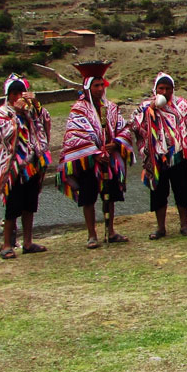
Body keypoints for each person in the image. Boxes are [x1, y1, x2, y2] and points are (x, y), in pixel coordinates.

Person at [58, 61, 133, 249]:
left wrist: (115, 144)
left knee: (110, 194)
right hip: (89, 162)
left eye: (102, 85)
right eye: (96, 86)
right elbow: (76, 134)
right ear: (88, 88)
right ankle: (92, 234)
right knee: (88, 197)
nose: (100, 89)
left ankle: (111, 230)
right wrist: (95, 153)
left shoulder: (112, 108)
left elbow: (123, 128)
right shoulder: (79, 109)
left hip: (109, 158)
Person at [132, 72, 187, 240]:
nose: (164, 92)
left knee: (182, 191)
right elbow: (135, 125)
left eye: (168, 88)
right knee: (158, 192)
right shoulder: (146, 106)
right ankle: (160, 227)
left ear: (173, 89)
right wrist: (149, 110)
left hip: (179, 156)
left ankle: (184, 224)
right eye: (161, 88)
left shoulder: (182, 106)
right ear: (155, 89)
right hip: (158, 158)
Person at [0, 74, 51, 259]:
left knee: (29, 205)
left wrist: (35, 106)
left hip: (31, 165)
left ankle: (27, 242)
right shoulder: (2, 114)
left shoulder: (31, 111)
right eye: (14, 93)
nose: (18, 97)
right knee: (12, 207)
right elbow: (5, 134)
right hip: (14, 169)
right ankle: (7, 245)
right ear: (8, 95)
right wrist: (18, 116)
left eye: (21, 93)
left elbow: (44, 122)